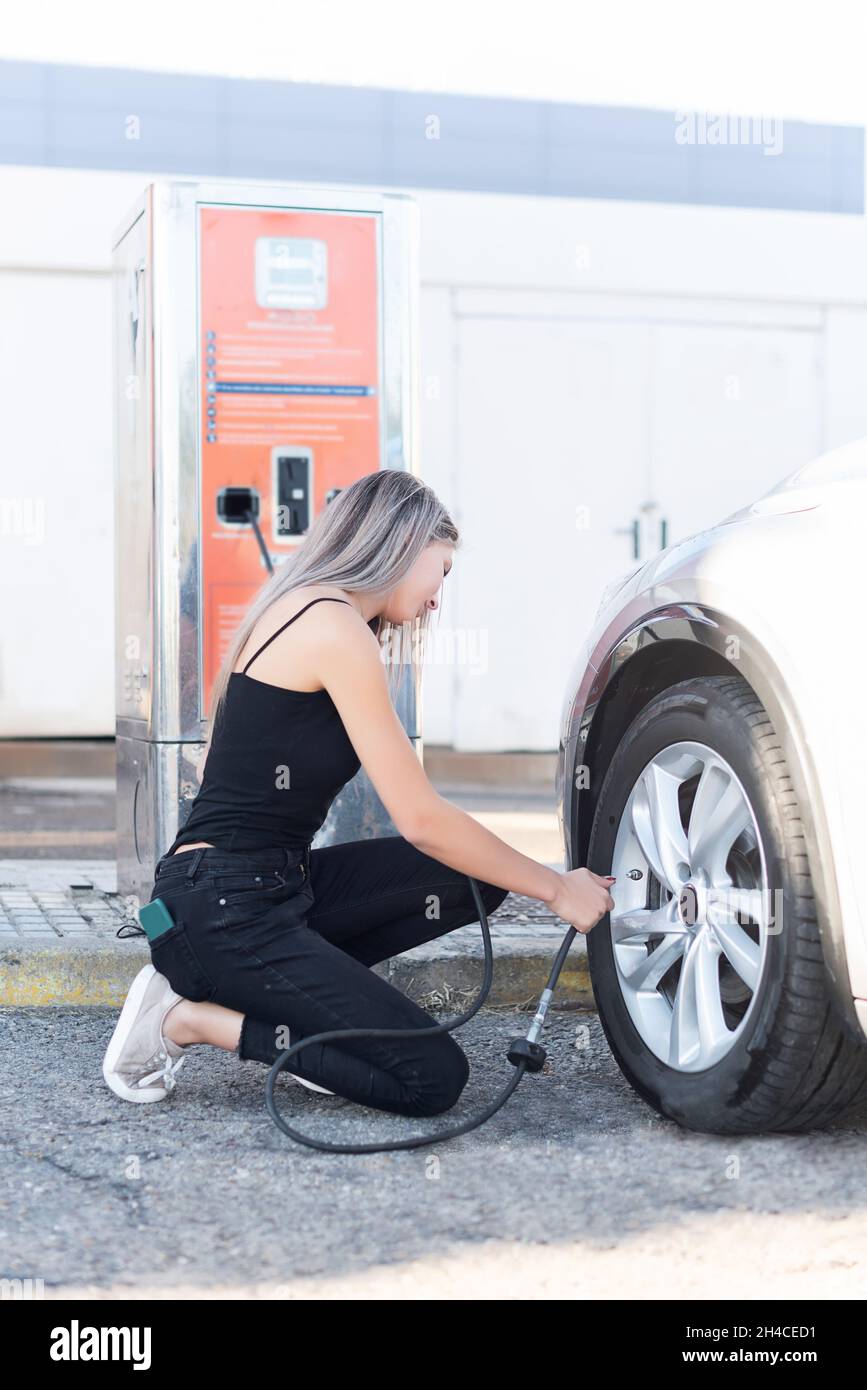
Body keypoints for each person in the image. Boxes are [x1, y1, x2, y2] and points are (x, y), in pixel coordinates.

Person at [102, 470, 615, 1115]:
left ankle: (298, 1008)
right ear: (401, 545)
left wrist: (529, 877)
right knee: (432, 1079)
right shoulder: (334, 628)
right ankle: (189, 1018)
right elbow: (421, 817)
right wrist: (556, 887)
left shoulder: (318, 611)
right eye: (443, 572)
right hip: (223, 909)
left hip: (266, 886)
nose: (438, 599)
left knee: (472, 879)